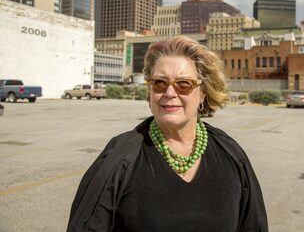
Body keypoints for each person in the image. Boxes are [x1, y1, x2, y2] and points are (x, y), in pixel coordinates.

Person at [67, 35, 268, 232]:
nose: (169, 93)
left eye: (183, 84)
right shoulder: (120, 157)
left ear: (203, 93)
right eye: (160, 83)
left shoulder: (230, 154)